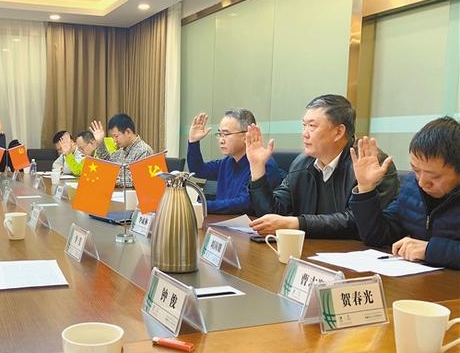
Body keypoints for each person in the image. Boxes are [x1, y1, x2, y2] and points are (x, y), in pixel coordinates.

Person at [246, 94, 399, 238]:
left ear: (339, 132)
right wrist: (257, 167)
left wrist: (298, 223)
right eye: (304, 125)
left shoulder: (371, 164)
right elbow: (273, 214)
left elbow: (359, 223)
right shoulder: (302, 163)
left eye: (312, 126)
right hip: (310, 251)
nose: (304, 133)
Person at [350, 117, 460, 269]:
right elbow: (377, 236)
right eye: (416, 170)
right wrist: (365, 188)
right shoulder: (411, 187)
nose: (422, 183)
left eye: (434, 177)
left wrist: (430, 250)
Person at [187, 110, 281, 214]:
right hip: (223, 221)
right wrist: (193, 142)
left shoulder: (262, 164)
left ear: (246, 136)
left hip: (249, 223)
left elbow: (244, 203)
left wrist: (202, 206)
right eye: (219, 134)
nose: (221, 140)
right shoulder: (227, 162)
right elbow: (198, 171)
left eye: (226, 134)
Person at [89, 113, 154, 187]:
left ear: (128, 132)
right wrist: (100, 142)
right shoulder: (121, 151)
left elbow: (138, 180)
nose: (114, 140)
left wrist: (111, 179)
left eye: (116, 136)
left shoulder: (144, 150)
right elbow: (108, 163)